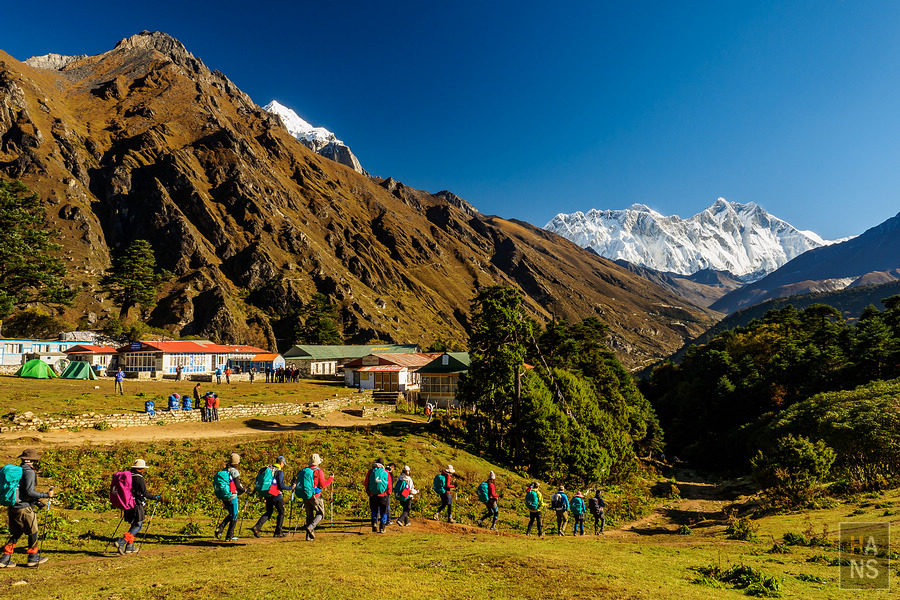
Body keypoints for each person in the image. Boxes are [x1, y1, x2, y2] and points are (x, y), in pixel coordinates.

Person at [1, 449, 54, 568]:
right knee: (33, 531)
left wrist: (37, 502)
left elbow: (22, 492)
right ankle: (33, 557)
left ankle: (5, 558)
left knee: (16, 533)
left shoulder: (18, 471)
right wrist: (46, 495)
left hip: (13, 507)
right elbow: (29, 492)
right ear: (32, 460)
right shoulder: (29, 472)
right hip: (24, 508)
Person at [114, 459, 162, 555]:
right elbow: (145, 493)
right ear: (141, 468)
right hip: (136, 504)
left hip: (128, 503)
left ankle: (129, 547)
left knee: (134, 524)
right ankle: (121, 542)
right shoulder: (139, 478)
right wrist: (156, 497)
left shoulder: (128, 476)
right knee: (138, 525)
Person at [251, 457, 293, 538]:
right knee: (281, 512)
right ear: (281, 463)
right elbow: (281, 485)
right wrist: (291, 487)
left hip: (268, 494)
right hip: (276, 495)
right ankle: (278, 532)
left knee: (269, 512)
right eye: (283, 464)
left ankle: (257, 527)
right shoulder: (279, 472)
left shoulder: (270, 470)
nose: (283, 465)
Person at [297, 453, 333, 541]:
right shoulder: (318, 471)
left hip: (306, 495)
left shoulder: (305, 471)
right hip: (315, 496)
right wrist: (330, 479)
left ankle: (308, 537)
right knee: (320, 513)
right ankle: (311, 527)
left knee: (309, 515)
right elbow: (322, 485)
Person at [215, 454, 245, 541]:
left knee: (231, 514)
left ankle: (220, 529)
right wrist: (246, 490)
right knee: (234, 515)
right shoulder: (234, 471)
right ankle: (229, 536)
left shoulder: (224, 470)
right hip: (232, 496)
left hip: (224, 496)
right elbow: (238, 486)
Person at [364, 458, 392, 533]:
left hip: (373, 494)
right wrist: (389, 492)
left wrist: (368, 491)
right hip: (383, 494)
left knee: (374, 510)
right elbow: (389, 483)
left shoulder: (370, 472)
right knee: (384, 511)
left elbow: (366, 482)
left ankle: (374, 522)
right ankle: (382, 527)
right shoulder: (386, 472)